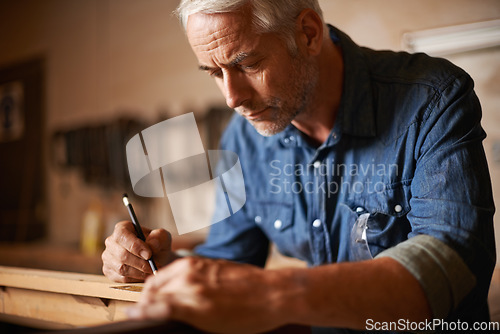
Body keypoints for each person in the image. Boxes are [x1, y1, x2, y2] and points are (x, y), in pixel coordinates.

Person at [101, 0, 496, 333]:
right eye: (214, 73)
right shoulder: (243, 138)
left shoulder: (434, 99)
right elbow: (228, 263)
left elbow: (453, 265)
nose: (231, 98)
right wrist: (158, 265)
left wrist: (273, 292)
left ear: (308, 33)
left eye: (248, 64)